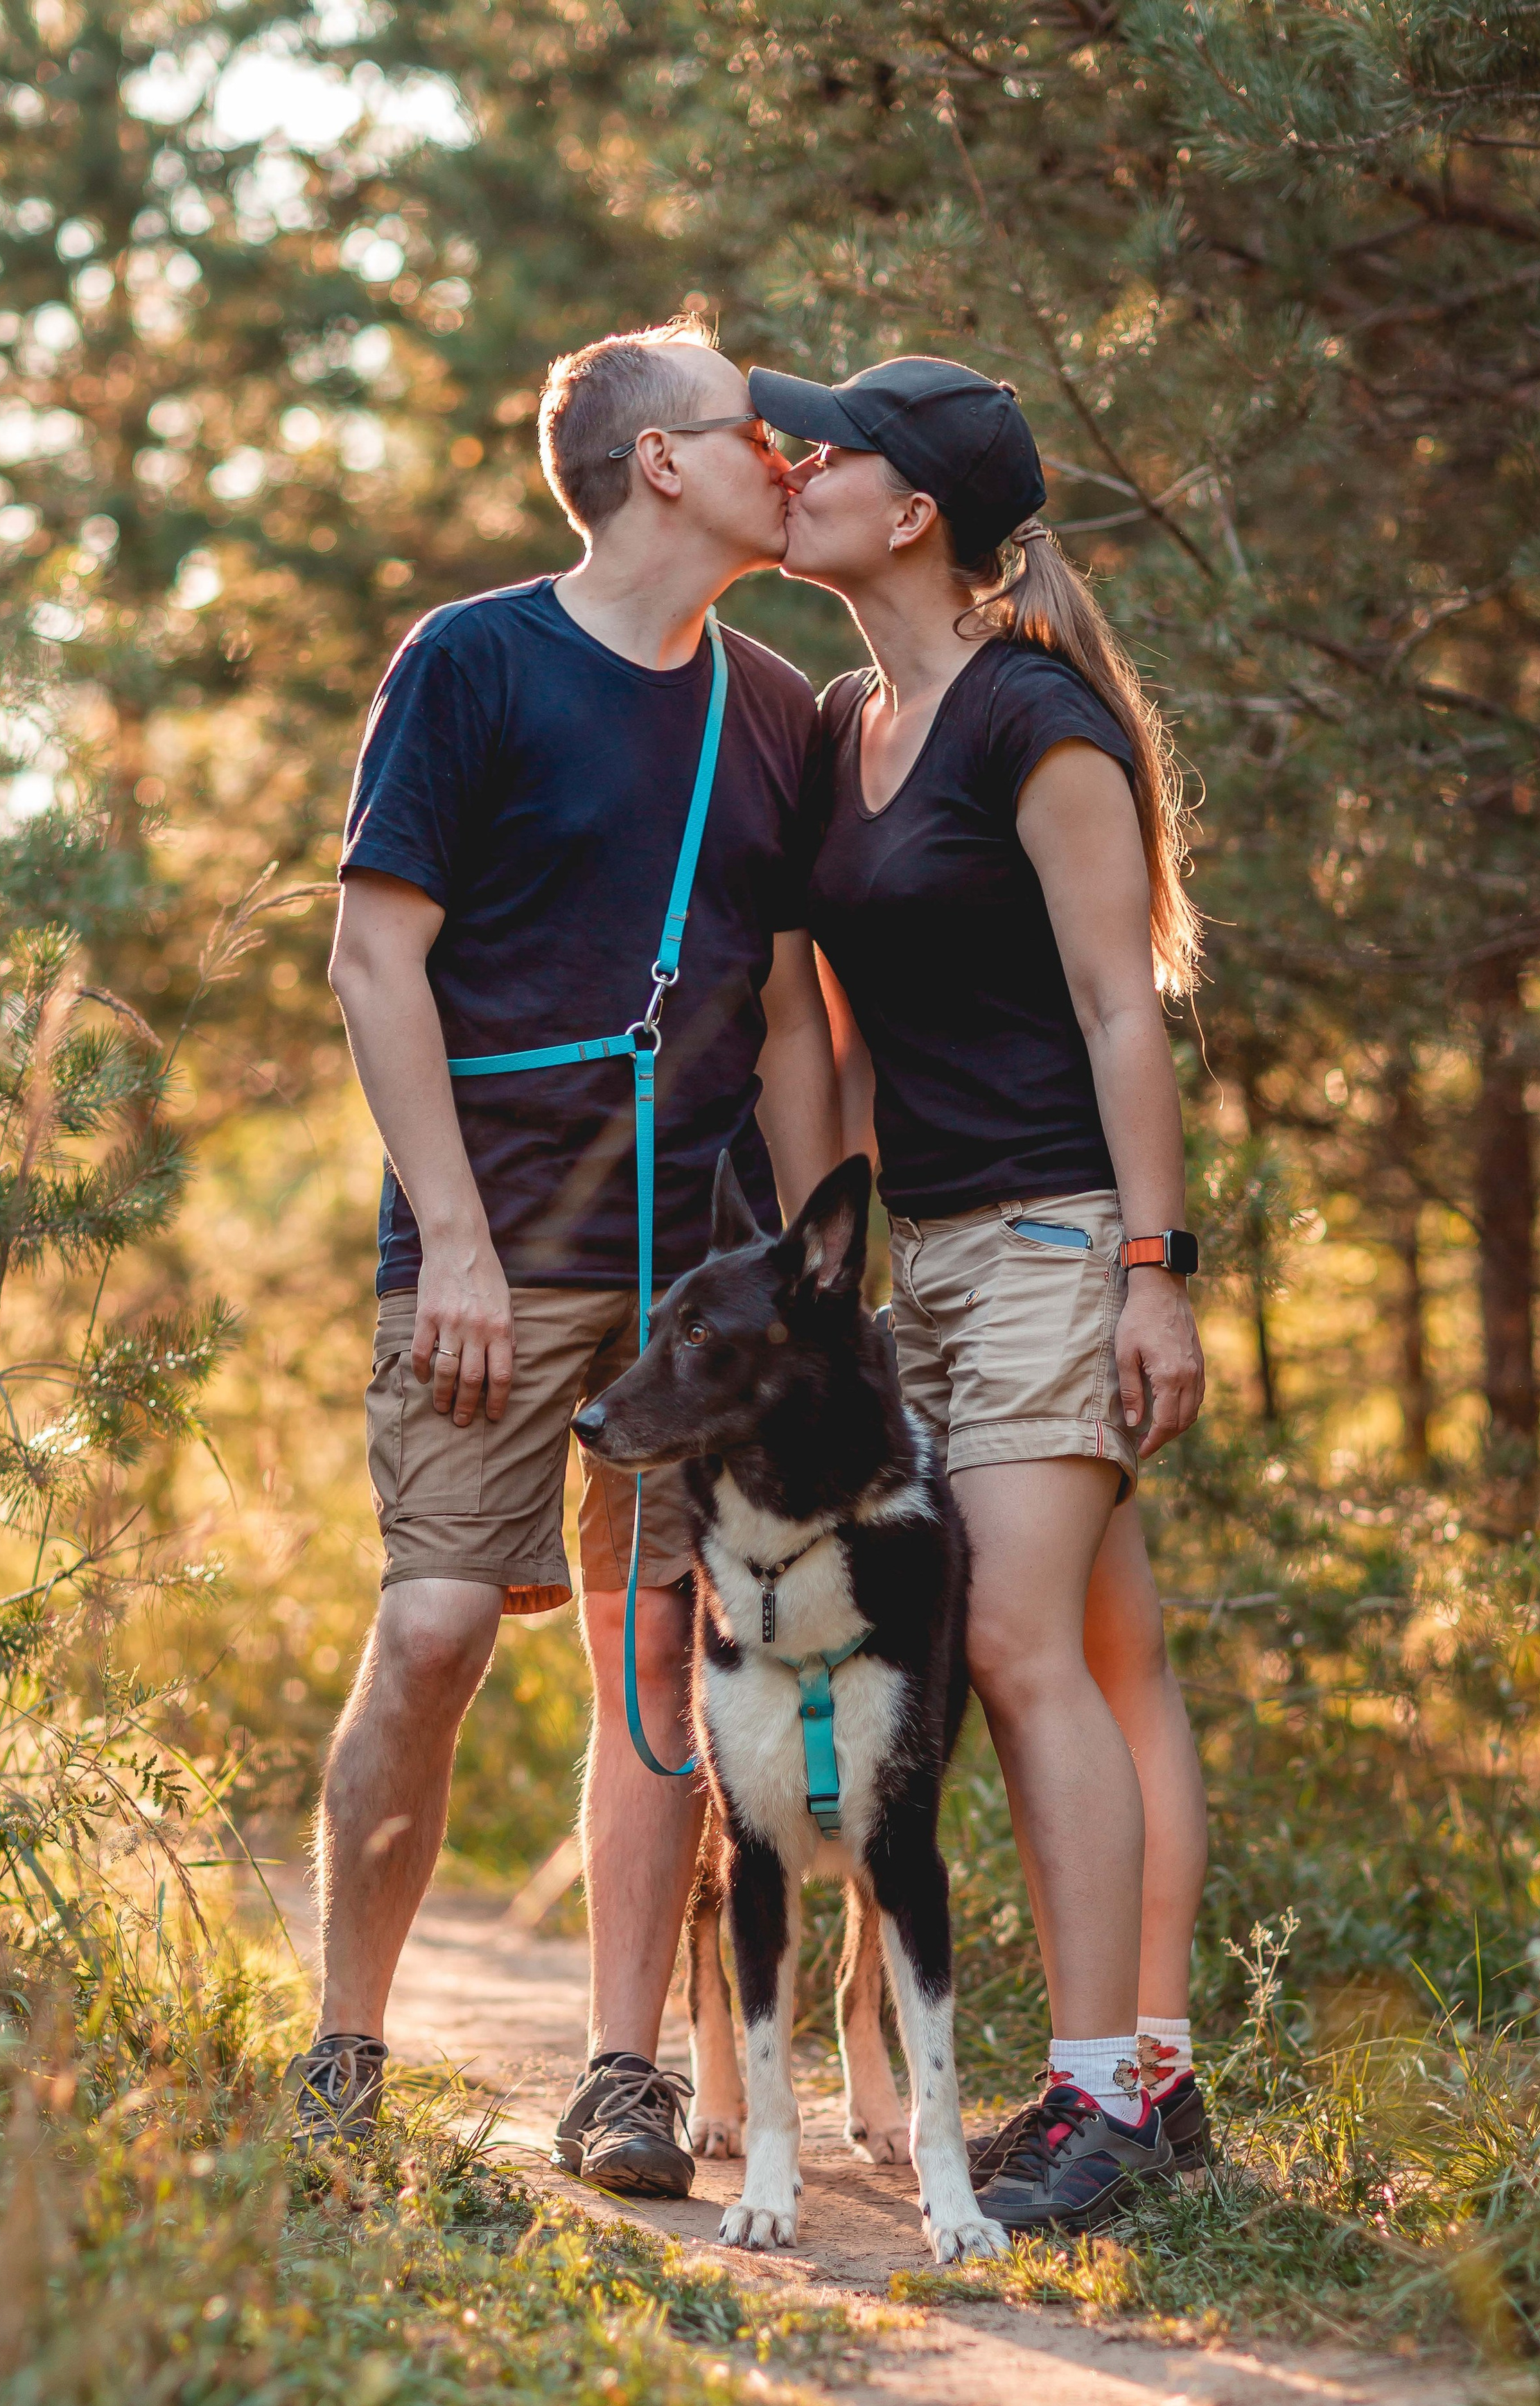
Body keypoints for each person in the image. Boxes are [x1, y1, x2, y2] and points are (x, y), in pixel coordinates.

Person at [299, 320, 839, 2191]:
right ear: (658, 466)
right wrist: (449, 1233)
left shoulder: (776, 708)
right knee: (440, 1622)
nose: (788, 455)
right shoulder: (470, 662)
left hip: (700, 1274)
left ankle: (624, 2077)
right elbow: (377, 958)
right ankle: (347, 2044)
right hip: (493, 1242)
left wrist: (813, 1296)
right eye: (749, 429)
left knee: (660, 1660)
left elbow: (782, 1020)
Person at [753, 352, 1211, 2233]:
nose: (795, 464)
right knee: (1100, 1661)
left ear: (913, 508)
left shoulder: (1040, 723)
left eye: (827, 447)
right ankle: (1152, 2090)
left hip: (1050, 1237)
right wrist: (827, 1286)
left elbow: (1125, 1010)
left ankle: (1098, 2098)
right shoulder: (856, 714)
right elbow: (846, 1039)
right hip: (925, 1254)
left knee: (1019, 1657)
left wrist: (1153, 1272)